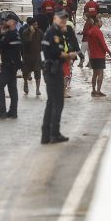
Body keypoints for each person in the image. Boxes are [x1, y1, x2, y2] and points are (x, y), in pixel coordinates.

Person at [41, 9, 76, 144]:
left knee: (51, 103)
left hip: (51, 69)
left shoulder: (54, 32)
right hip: (53, 70)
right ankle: (53, 134)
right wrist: (70, 55)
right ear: (55, 18)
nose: (63, 21)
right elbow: (57, 53)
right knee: (57, 103)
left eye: (65, 19)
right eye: (61, 18)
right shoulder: (54, 33)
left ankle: (47, 135)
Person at [0, 14, 23, 119]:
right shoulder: (16, 34)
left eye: (7, 20)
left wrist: (1, 35)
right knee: (12, 88)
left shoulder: (10, 35)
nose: (5, 22)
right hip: (13, 65)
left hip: (8, 65)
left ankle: (2, 111)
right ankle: (13, 112)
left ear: (13, 22)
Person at [85, 16, 111, 97]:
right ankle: (98, 91)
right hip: (99, 55)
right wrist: (109, 52)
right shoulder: (98, 31)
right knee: (100, 73)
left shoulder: (90, 31)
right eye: (100, 21)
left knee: (94, 74)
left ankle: (93, 90)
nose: (101, 23)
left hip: (92, 56)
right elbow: (103, 44)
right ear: (96, 23)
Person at [22, 17, 43, 96]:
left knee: (38, 72)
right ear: (30, 26)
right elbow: (26, 44)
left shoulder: (40, 32)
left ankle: (37, 89)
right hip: (27, 56)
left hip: (37, 56)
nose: (36, 26)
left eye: (37, 24)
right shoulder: (25, 32)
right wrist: (31, 33)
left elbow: (44, 42)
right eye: (35, 25)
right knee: (26, 72)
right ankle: (25, 83)